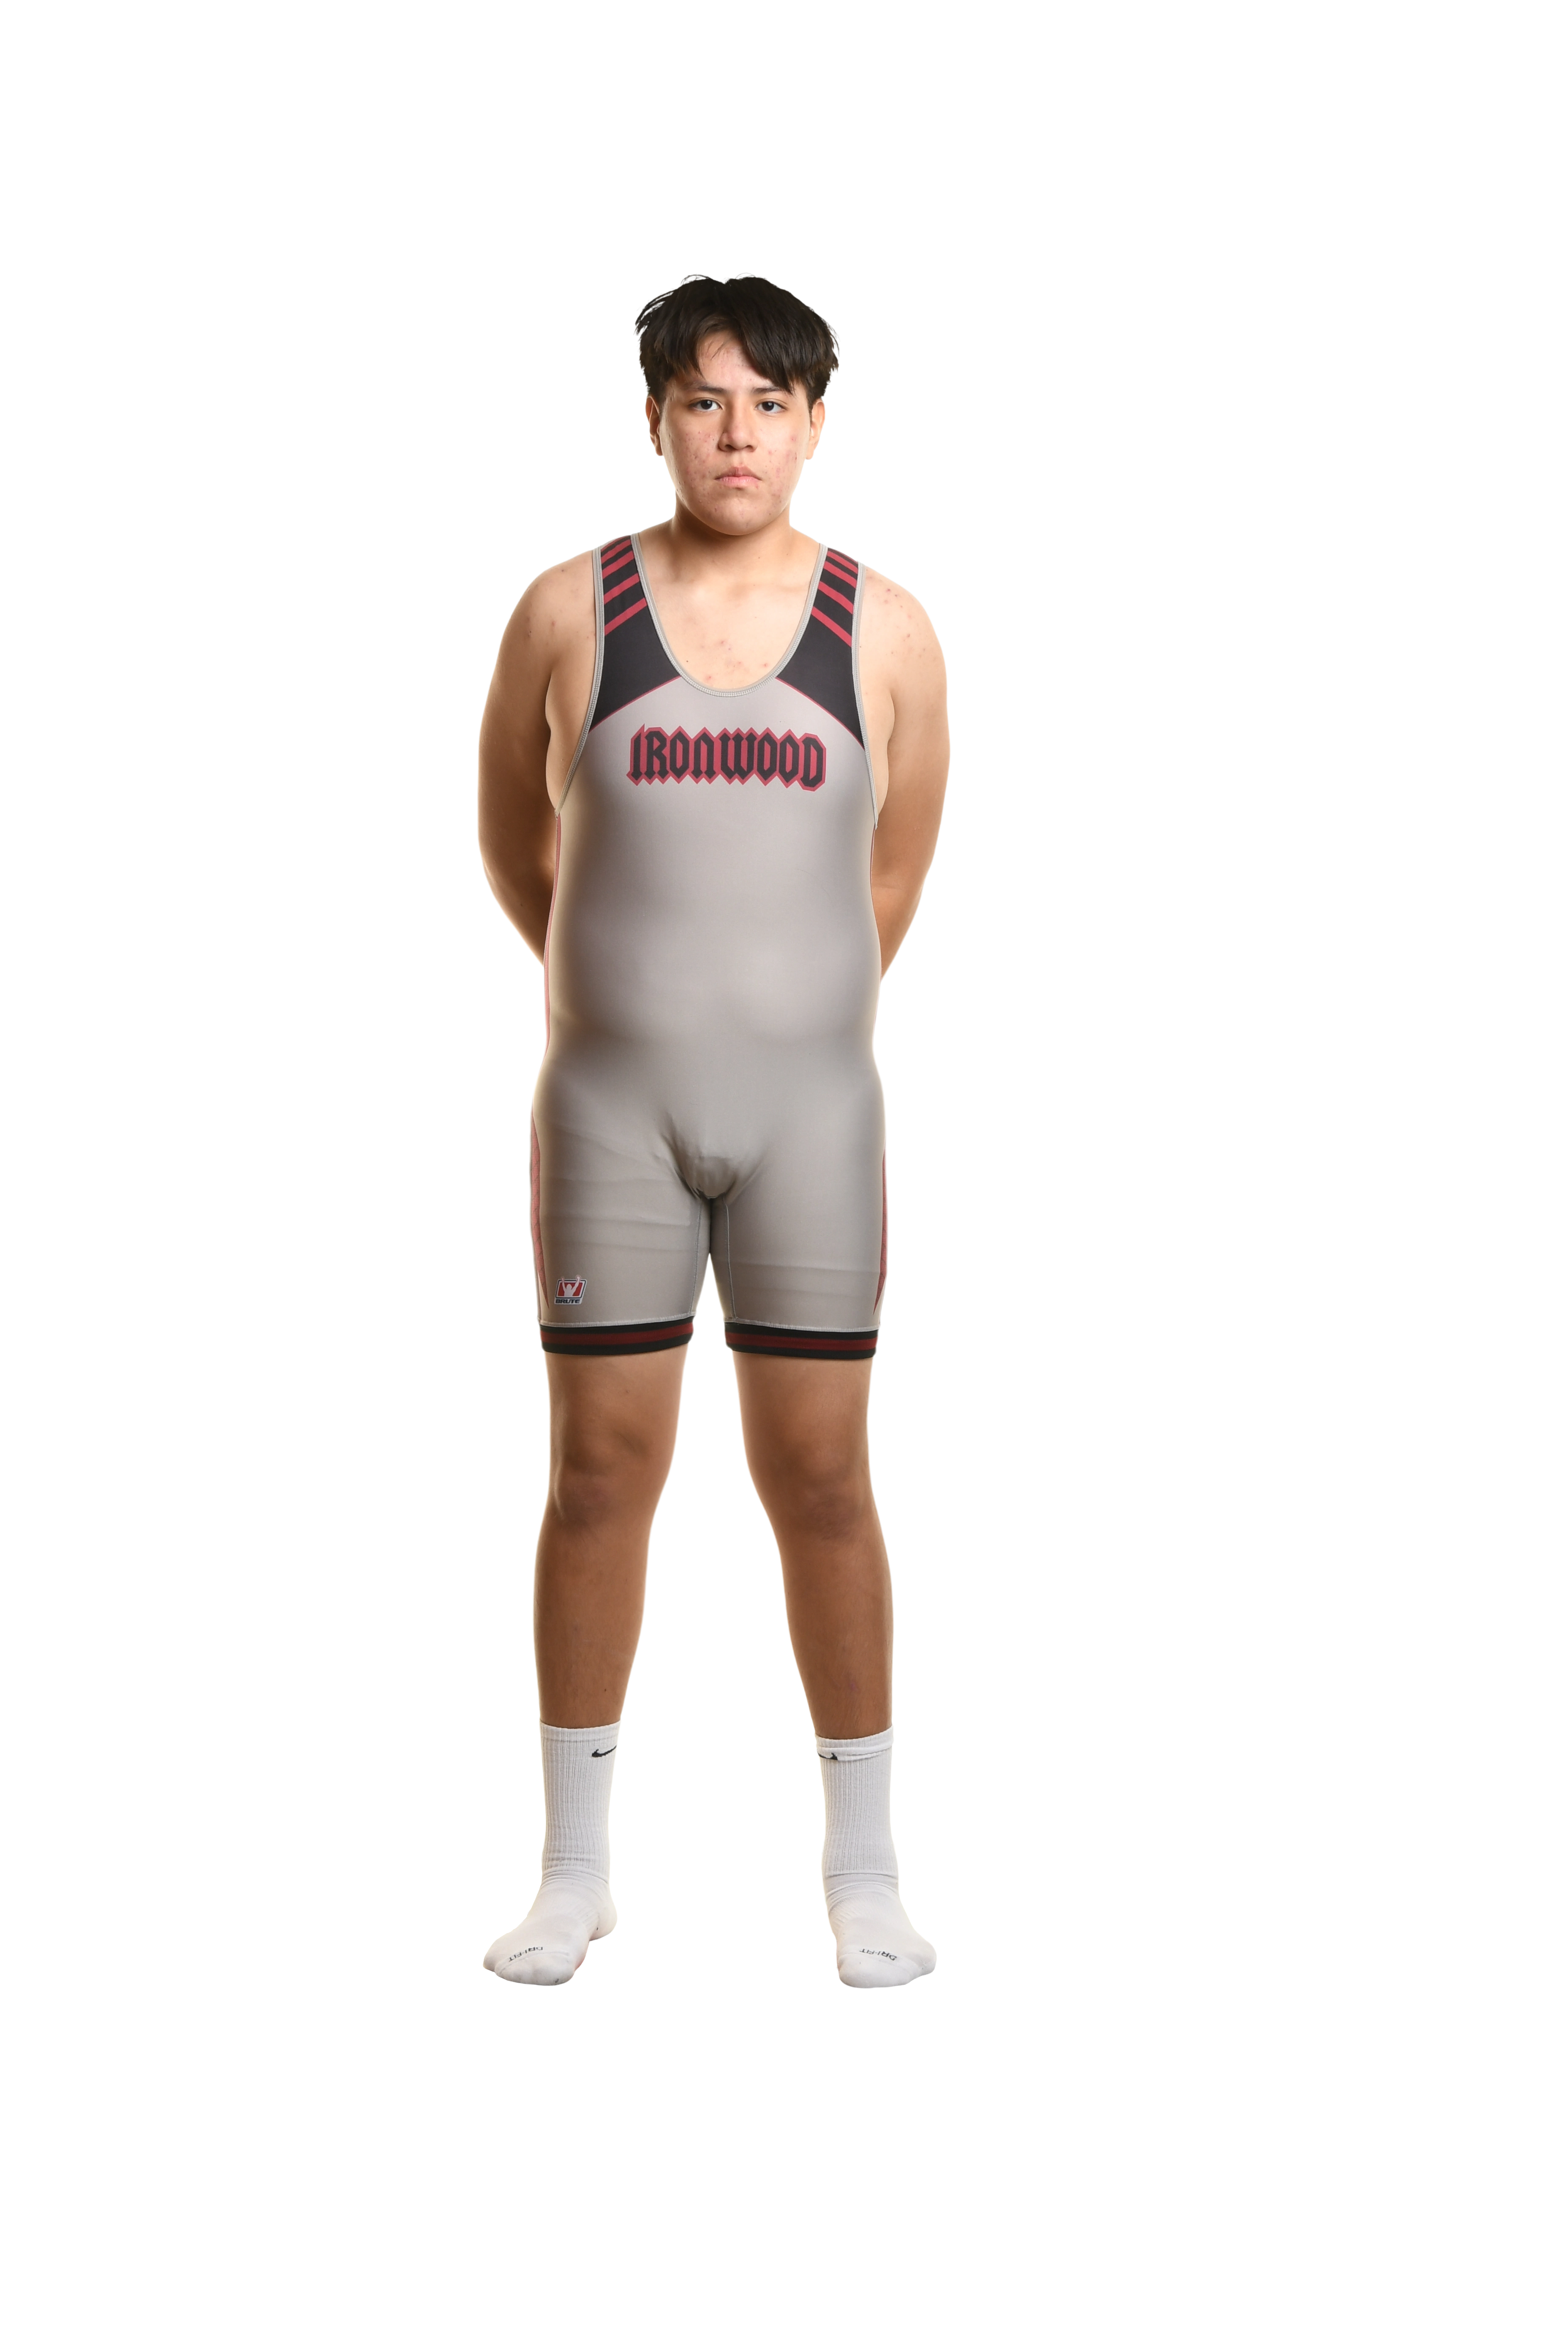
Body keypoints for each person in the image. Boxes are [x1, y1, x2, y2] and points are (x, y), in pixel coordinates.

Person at [476, 272, 949, 1988]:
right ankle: (573, 1881)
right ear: (655, 419)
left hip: (812, 1115)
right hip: (611, 1109)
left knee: (823, 1479)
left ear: (815, 422)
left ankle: (861, 1877)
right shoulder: (566, 610)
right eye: (702, 401)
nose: (736, 434)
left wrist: (785, 1009)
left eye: (770, 403)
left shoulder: (886, 628)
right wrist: (619, 996)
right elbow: (515, 844)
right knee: (598, 1476)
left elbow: (890, 873)